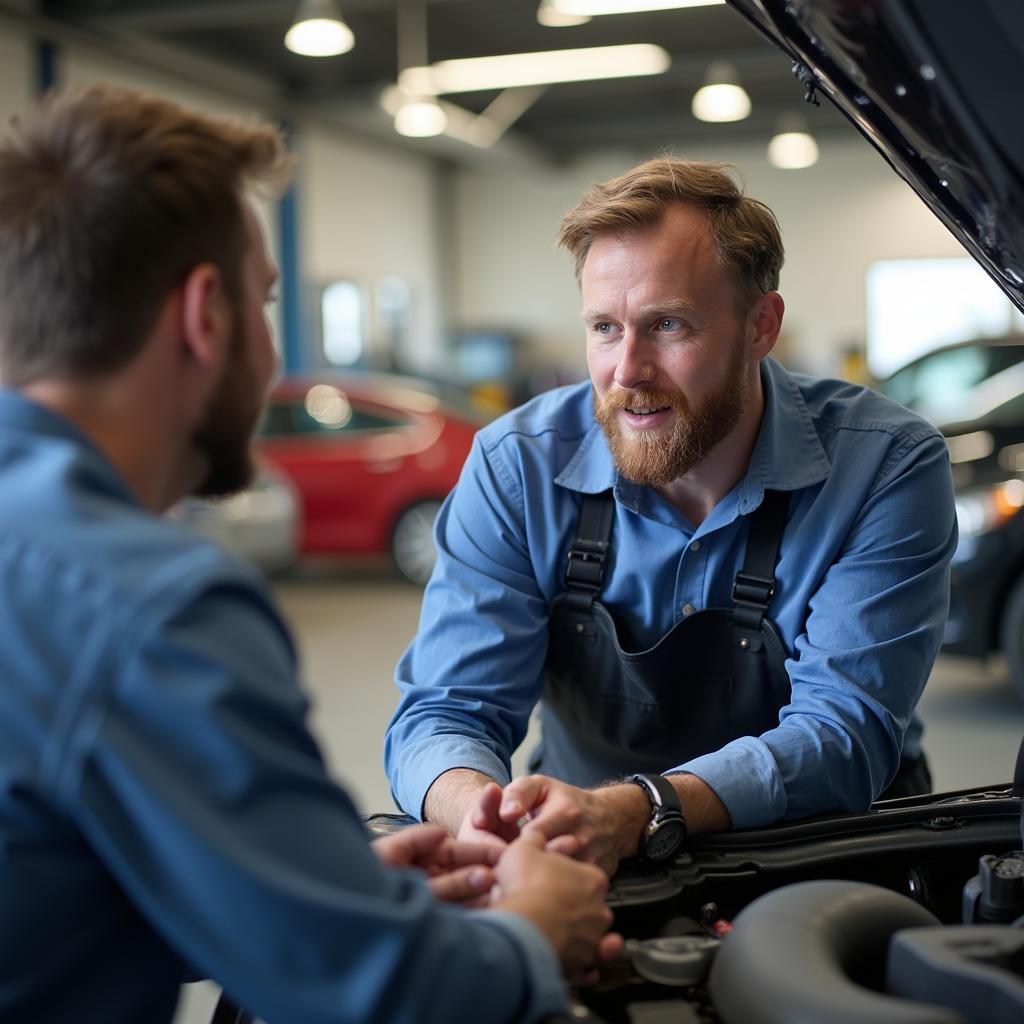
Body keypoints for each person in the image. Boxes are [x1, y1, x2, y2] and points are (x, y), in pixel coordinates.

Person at [0, 85, 620, 1024]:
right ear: (207, 315)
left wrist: (304, 887)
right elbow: (390, 1000)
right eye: (266, 299)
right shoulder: (150, 605)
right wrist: (535, 926)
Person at [385, 157, 957, 875]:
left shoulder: (885, 466)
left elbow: (844, 732)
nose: (627, 370)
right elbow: (444, 714)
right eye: (603, 328)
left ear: (760, 326)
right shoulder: (516, 466)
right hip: (576, 847)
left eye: (668, 326)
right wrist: (485, 816)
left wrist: (639, 809)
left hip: (819, 853)